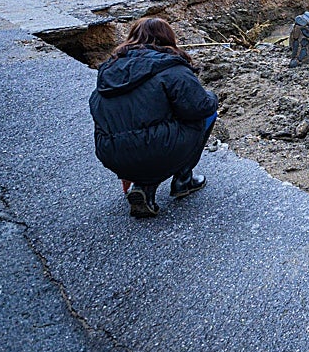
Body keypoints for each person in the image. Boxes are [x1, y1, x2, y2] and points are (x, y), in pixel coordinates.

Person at [89, 17, 218, 218]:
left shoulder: (109, 70)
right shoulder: (171, 67)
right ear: (167, 39)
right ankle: (183, 179)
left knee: (143, 131)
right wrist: (211, 96)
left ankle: (143, 187)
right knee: (206, 111)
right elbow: (199, 107)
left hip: (110, 153)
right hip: (154, 149)